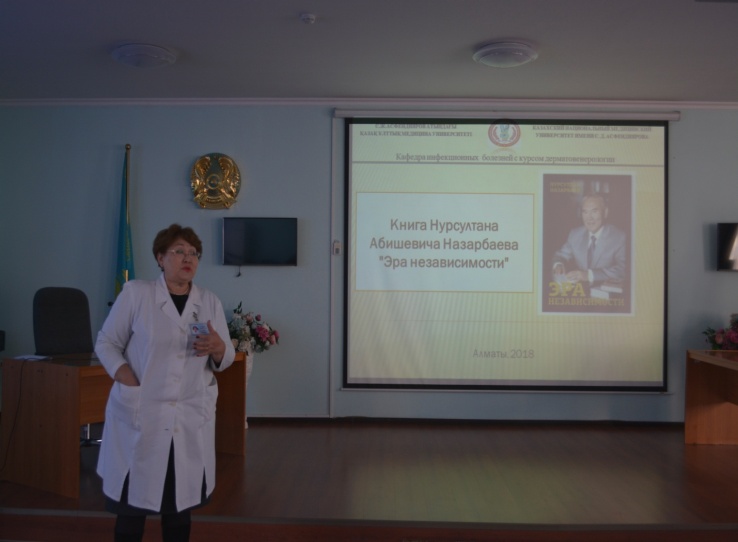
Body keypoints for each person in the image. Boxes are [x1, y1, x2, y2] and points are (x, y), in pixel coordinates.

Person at [95, 224, 235, 542]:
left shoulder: (208, 301)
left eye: (194, 253)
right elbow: (106, 342)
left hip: (188, 417)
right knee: (131, 506)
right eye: (179, 251)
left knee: (179, 507)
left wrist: (218, 348)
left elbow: (225, 358)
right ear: (160, 258)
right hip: (142, 414)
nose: (188, 258)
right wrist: (127, 378)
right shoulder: (137, 294)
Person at [552, 193, 626, 287]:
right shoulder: (575, 234)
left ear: (605, 212)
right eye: (585, 212)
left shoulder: (619, 237)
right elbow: (560, 255)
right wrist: (558, 264)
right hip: (580, 291)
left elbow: (623, 269)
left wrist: (588, 275)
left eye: (594, 212)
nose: (589, 218)